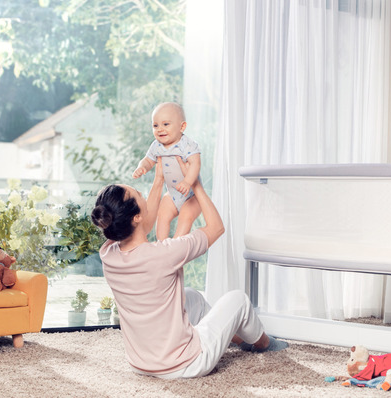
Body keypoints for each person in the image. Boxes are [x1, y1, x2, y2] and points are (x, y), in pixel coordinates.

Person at [92, 158, 287, 379]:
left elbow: (141, 228)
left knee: (191, 297)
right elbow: (216, 227)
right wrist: (196, 185)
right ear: (136, 216)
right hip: (185, 364)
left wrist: (159, 180)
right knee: (238, 300)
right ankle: (263, 343)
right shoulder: (165, 253)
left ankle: (238, 339)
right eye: (139, 193)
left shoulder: (108, 253)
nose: (143, 195)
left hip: (140, 363)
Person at [132, 102, 201, 240]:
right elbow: (148, 160)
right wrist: (142, 167)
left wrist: (187, 182)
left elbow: (195, 164)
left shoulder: (186, 144)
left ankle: (176, 246)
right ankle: (162, 245)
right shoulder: (156, 146)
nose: (160, 129)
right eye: (155, 125)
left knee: (185, 217)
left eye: (166, 124)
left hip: (192, 196)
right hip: (173, 194)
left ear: (182, 127)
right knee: (162, 215)